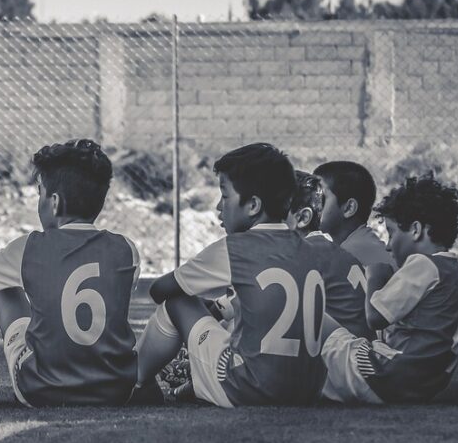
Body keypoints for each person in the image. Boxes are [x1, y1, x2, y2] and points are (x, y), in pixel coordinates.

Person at [0, 139, 141, 407]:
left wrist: (20, 271)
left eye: (40, 193)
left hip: (42, 389)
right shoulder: (126, 249)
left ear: (54, 202)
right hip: (115, 390)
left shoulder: (29, 247)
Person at [133, 143, 327, 407]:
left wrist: (199, 300)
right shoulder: (311, 250)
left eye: (224, 196)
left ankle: (137, 383)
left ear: (253, 205)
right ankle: (189, 386)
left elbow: (159, 290)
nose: (218, 206)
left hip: (248, 390)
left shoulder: (235, 248)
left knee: (178, 302)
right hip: (310, 392)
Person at [320, 176, 458, 405]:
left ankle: (300, 380)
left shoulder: (423, 265)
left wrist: (374, 276)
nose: (387, 245)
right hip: (420, 390)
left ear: (416, 230)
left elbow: (374, 318)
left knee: (316, 317)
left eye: (391, 233)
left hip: (380, 376)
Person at [289, 170, 372, 340]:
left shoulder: (303, 255)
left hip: (344, 352)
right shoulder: (331, 250)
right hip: (361, 347)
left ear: (303, 218)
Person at [313, 161, 395, 278]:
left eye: (320, 198)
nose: (311, 204)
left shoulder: (349, 254)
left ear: (349, 208)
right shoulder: (362, 243)